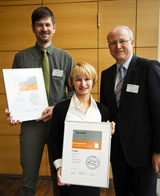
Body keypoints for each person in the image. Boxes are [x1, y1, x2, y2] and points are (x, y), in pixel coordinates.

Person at [6, 7, 74, 196]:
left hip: (58, 125)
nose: (44, 28)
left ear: (54, 28)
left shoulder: (65, 58)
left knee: (60, 178)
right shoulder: (21, 57)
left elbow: (74, 93)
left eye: (47, 25)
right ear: (33, 28)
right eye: (39, 25)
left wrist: (56, 109)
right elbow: (16, 93)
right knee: (27, 179)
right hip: (30, 125)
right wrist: (13, 110)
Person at [100, 25, 160, 196]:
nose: (117, 46)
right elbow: (106, 113)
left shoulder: (149, 68)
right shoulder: (106, 75)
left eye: (122, 41)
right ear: (108, 46)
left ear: (132, 42)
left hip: (144, 153)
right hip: (118, 153)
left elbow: (158, 112)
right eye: (113, 43)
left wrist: (158, 150)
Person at [49, 61, 115, 196]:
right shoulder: (61, 109)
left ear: (93, 81)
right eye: (78, 79)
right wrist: (60, 166)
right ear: (72, 82)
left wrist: (110, 134)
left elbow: (104, 145)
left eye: (87, 79)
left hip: (92, 170)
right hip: (69, 171)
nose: (83, 84)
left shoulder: (103, 110)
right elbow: (53, 140)